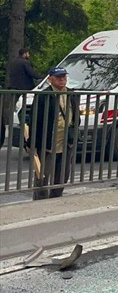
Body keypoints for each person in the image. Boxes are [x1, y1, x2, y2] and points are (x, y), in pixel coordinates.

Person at [28, 67, 79, 200]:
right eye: (58, 77)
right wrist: (32, 142)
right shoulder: (44, 95)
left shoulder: (71, 94)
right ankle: (40, 199)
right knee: (43, 174)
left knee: (62, 174)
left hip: (66, 140)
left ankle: (56, 197)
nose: (62, 80)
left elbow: (76, 115)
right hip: (48, 140)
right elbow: (35, 119)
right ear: (50, 79)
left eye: (64, 77)